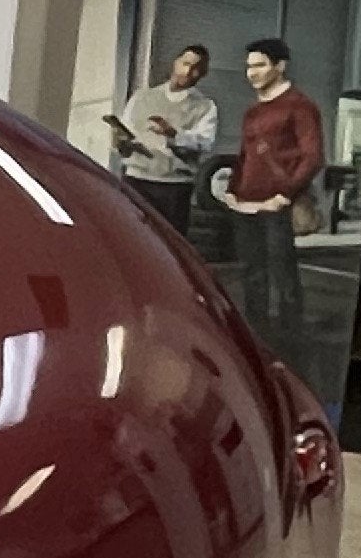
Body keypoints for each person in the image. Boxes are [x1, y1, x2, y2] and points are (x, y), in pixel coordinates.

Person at [220, 37, 326, 360]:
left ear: (279, 66)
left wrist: (285, 195)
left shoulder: (300, 105)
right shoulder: (253, 112)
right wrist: (233, 191)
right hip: (246, 204)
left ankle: (292, 345)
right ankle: (256, 340)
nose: (251, 72)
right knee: (251, 272)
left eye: (260, 65)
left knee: (283, 274)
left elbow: (313, 157)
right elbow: (245, 155)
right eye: (249, 66)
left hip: (276, 204)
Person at [103, 43, 215, 231]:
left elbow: (204, 143)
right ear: (175, 63)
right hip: (137, 179)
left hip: (174, 185)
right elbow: (125, 136)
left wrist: (173, 135)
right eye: (185, 63)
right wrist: (120, 142)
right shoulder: (142, 97)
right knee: (133, 235)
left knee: (169, 241)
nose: (188, 71)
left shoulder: (205, 106)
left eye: (196, 68)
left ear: (203, 73)